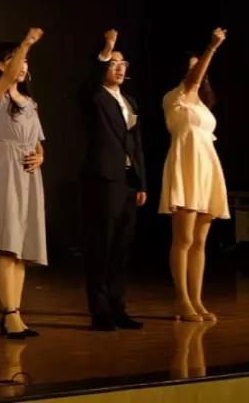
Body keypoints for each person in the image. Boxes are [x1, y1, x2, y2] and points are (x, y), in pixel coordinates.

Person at [0, 29, 47, 340]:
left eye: (25, 60)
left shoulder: (29, 101)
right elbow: (8, 78)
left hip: (29, 173)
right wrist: (26, 43)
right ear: (1, 65)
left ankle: (16, 311)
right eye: (16, 59)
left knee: (21, 249)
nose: (22, 64)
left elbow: (38, 139)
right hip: (7, 167)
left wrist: (40, 155)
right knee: (7, 245)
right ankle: (9, 314)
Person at [80, 29, 147, 331]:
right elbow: (91, 80)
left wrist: (141, 182)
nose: (119, 68)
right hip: (104, 179)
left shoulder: (129, 100)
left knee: (122, 246)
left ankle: (118, 307)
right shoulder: (95, 96)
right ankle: (100, 311)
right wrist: (107, 47)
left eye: (123, 64)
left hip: (128, 181)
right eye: (113, 63)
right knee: (101, 245)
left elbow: (136, 144)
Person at [160, 27, 228, 323]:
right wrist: (211, 48)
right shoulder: (175, 97)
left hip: (206, 167)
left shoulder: (202, 105)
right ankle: (182, 299)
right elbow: (193, 81)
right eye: (192, 68)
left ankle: (197, 299)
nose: (197, 73)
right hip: (186, 165)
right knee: (184, 238)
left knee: (200, 240)